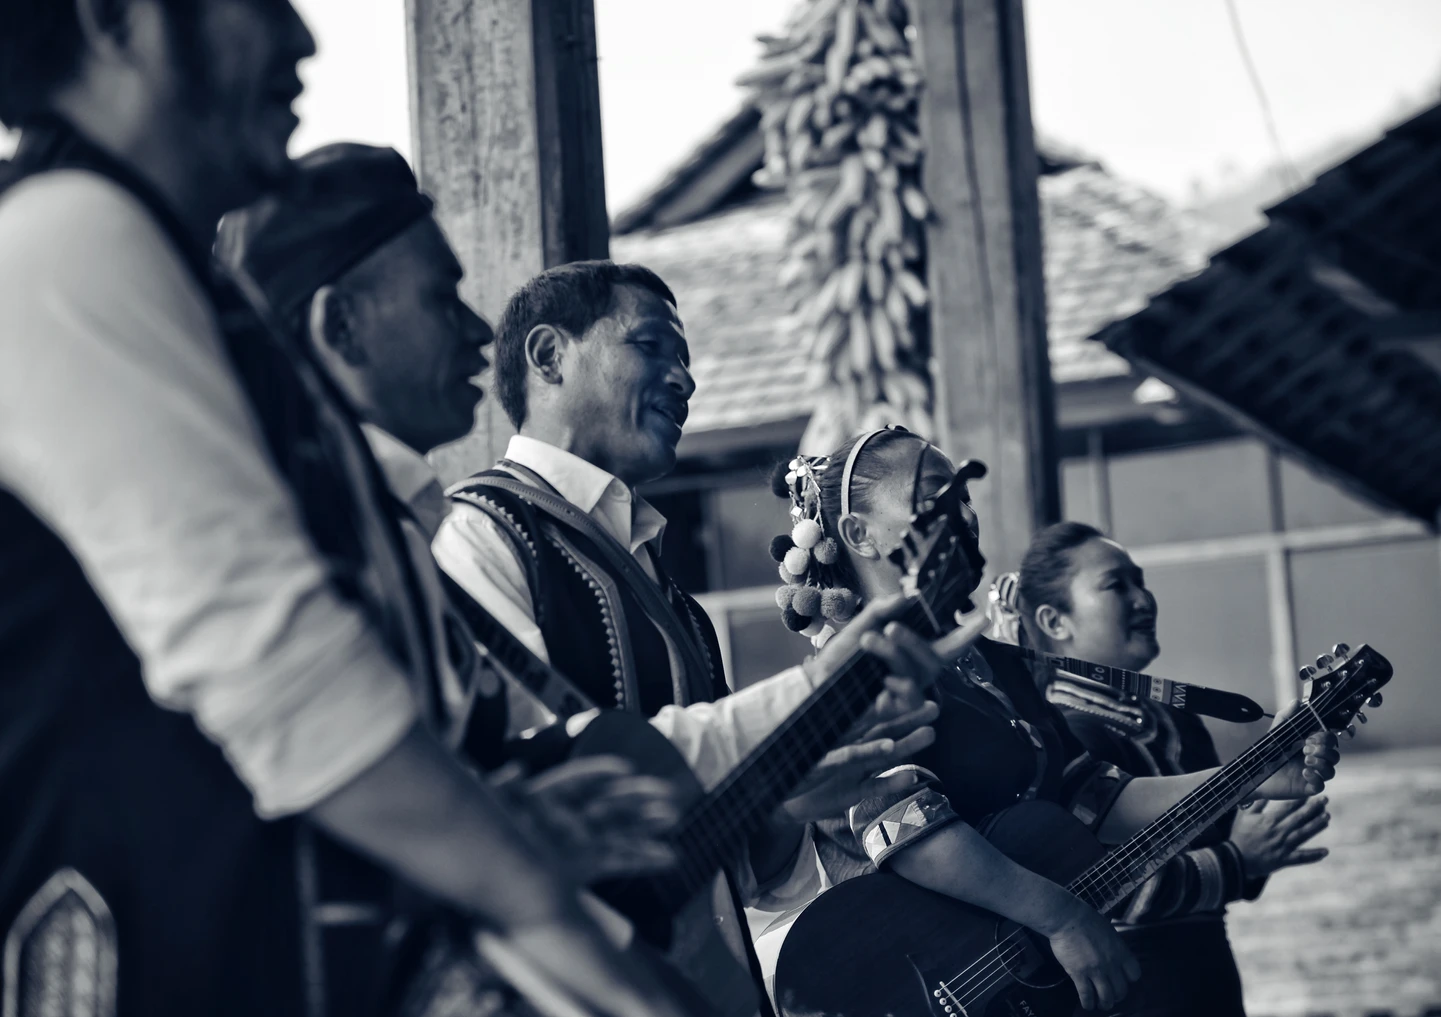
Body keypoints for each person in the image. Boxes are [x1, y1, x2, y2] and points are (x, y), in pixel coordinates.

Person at [0, 5, 693, 1016]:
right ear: (112, 20)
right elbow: (290, 688)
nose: (300, 39)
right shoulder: (64, 240)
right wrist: (567, 935)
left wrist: (485, 816)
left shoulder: (163, 273)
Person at [432, 260, 948, 1016]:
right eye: (651, 345)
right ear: (548, 356)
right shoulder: (481, 538)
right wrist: (804, 698)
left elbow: (733, 872)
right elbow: (515, 816)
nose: (685, 380)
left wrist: (790, 800)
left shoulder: (673, 602)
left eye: (686, 359)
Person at [749, 426, 1339, 1013]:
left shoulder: (993, 664)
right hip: (905, 987)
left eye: (964, 497)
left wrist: (1251, 775)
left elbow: (1095, 796)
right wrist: (1062, 917)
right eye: (935, 498)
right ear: (860, 534)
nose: (964, 515)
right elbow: (908, 835)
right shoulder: (853, 671)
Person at [1011, 523, 1330, 1017]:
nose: (1143, 599)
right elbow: (1094, 893)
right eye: (1116, 585)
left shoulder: (1178, 722)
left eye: (1140, 581)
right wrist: (1237, 862)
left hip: (1209, 979)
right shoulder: (1065, 739)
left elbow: (1234, 852)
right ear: (1055, 622)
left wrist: (1259, 834)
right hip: (1132, 991)